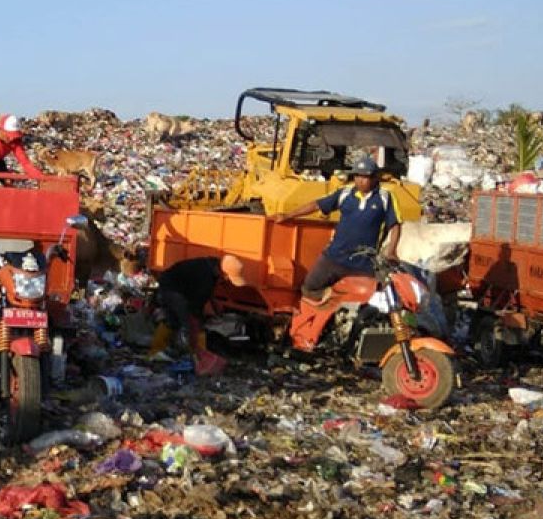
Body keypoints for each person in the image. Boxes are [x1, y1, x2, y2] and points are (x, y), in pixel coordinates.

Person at [273, 155, 401, 301]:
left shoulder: (385, 198)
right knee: (309, 288)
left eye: (365, 176)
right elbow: (317, 205)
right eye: (357, 176)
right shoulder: (345, 194)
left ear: (374, 178)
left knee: (366, 300)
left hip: (364, 263)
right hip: (335, 257)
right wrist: (289, 215)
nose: (360, 180)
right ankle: (333, 305)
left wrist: (392, 251)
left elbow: (395, 225)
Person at [148, 254, 251, 375]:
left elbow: (206, 295)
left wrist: (213, 306)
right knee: (185, 322)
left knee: (178, 321)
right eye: (228, 276)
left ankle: (161, 352)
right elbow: (196, 307)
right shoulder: (205, 277)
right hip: (172, 289)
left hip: (175, 286)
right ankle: (195, 356)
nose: (227, 279)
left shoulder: (210, 266)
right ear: (222, 271)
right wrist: (196, 325)